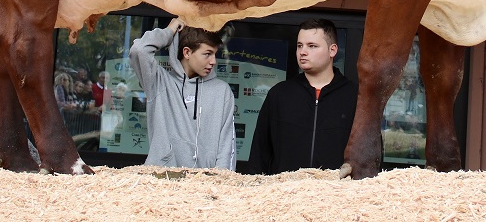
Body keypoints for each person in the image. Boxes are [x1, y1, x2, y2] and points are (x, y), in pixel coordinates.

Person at [247, 18, 358, 174]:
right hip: (284, 192)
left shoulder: (353, 96)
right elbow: (260, 151)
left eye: (312, 46)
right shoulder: (280, 94)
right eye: (300, 46)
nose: (303, 52)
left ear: (332, 50)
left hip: (335, 193)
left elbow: (366, 152)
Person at [130, 18, 236, 169]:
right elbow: (139, 50)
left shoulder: (222, 91)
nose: (213, 61)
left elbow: (227, 146)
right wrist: (169, 31)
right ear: (187, 52)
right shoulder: (159, 82)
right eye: (207, 54)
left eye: (215, 54)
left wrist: (221, 183)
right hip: (163, 182)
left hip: (206, 185)